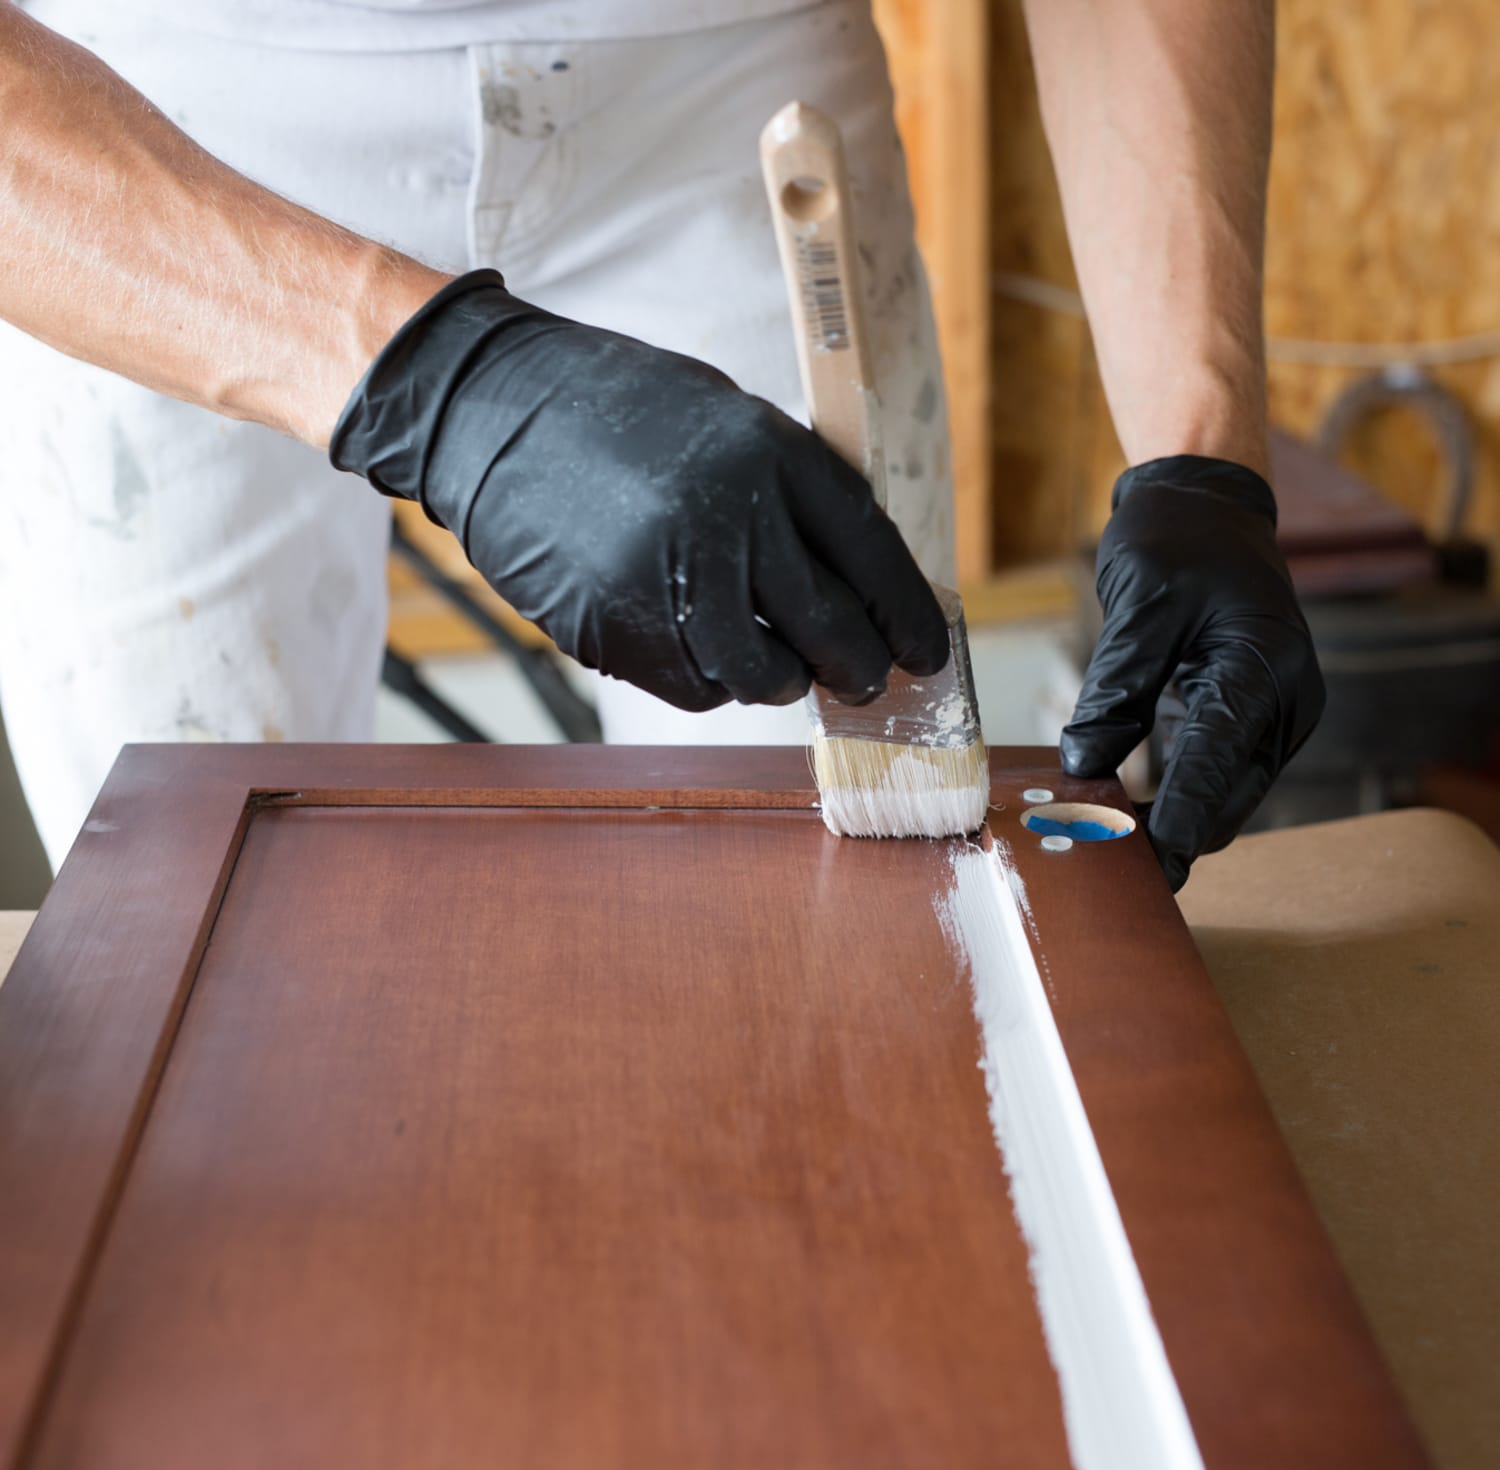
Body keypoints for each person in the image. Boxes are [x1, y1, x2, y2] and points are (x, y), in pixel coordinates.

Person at [0, 0, 1322, 889]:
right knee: (177, 900)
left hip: (729, 95)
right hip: (132, 137)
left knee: (860, 878)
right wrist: (438, 389)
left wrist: (1198, 459)